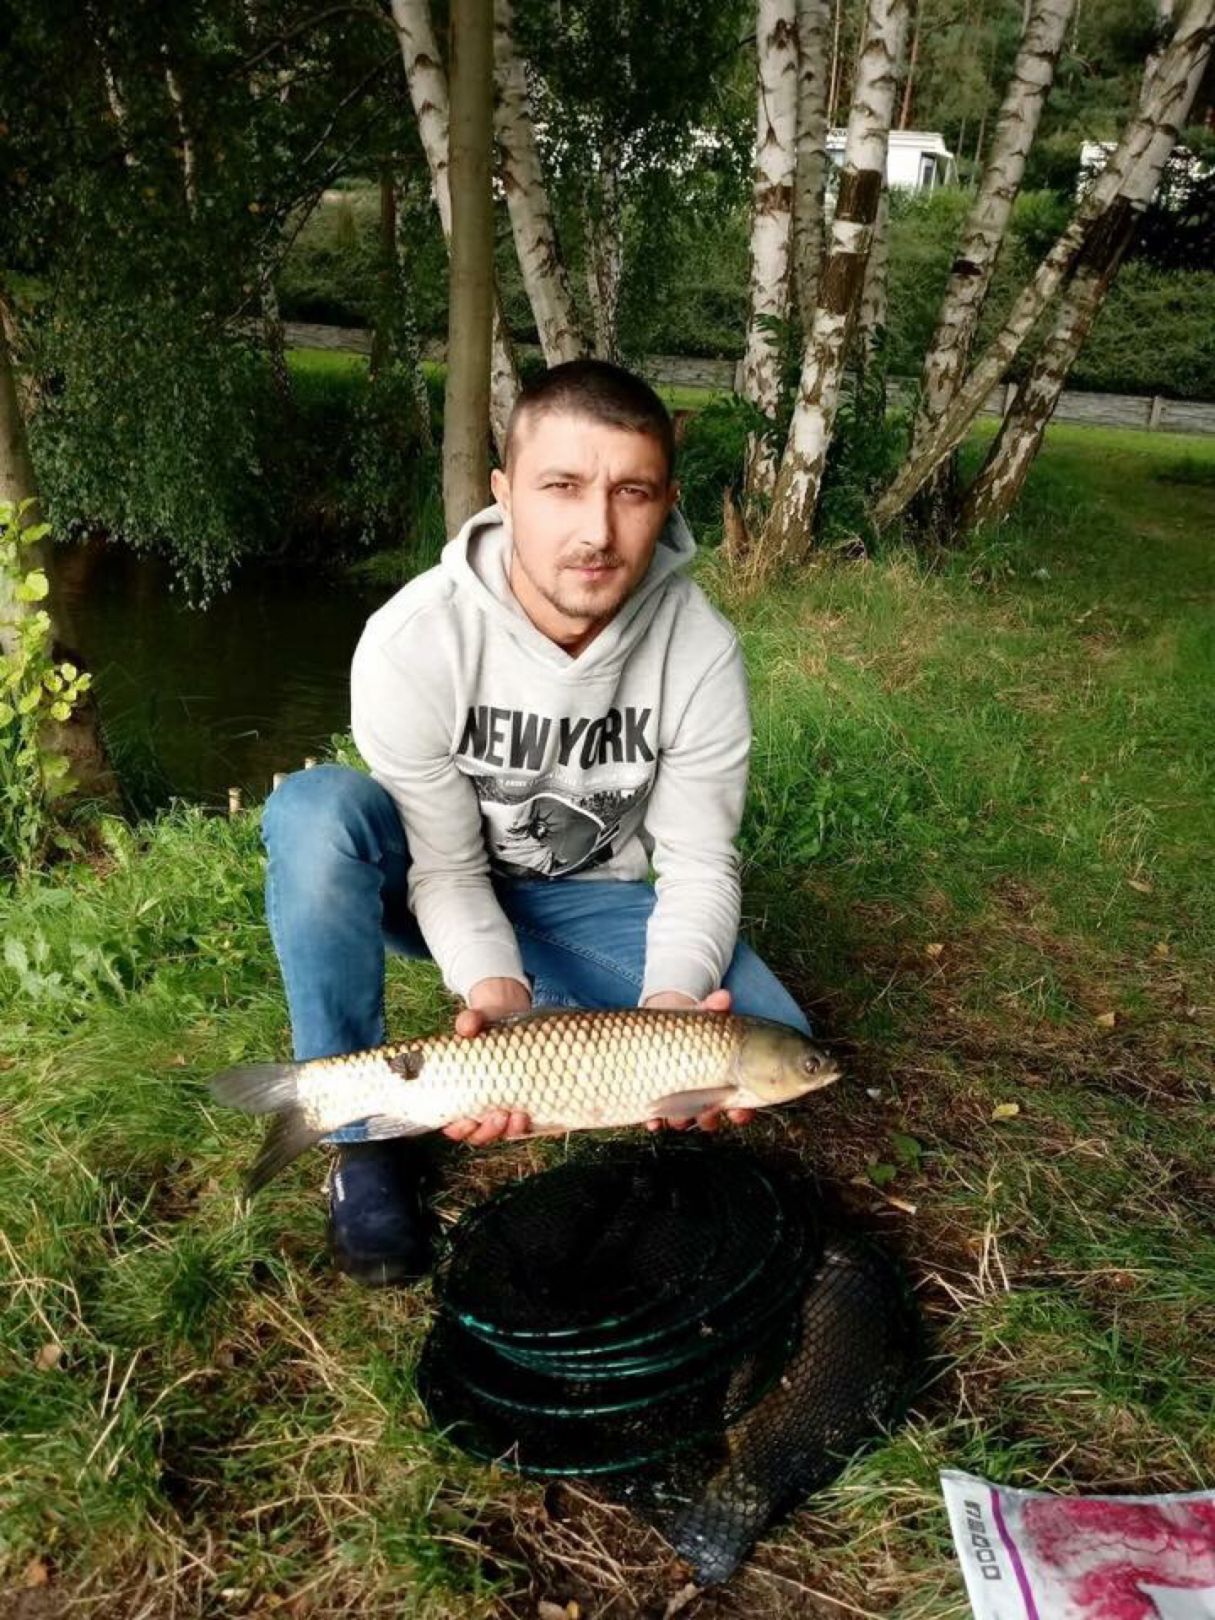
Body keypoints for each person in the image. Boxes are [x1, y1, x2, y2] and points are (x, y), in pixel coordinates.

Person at [262, 359, 812, 1286]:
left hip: (589, 899)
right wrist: (494, 1000)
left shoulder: (700, 648)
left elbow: (700, 863)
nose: (596, 532)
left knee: (766, 1041)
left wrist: (672, 1013)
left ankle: (567, 1048)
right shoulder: (414, 640)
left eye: (630, 493)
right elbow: (443, 868)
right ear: (505, 492)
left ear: (665, 501)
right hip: (434, 884)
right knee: (316, 814)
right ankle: (359, 1136)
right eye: (561, 487)